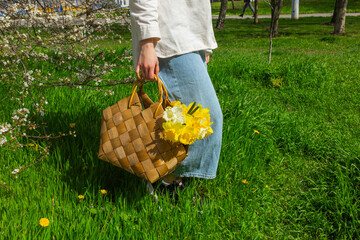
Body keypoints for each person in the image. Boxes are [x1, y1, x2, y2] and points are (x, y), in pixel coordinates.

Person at [129, 0, 223, 199]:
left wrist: (203, 44)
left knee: (187, 123)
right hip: (168, 37)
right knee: (207, 119)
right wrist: (146, 43)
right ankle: (162, 179)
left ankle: (172, 179)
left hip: (190, 38)